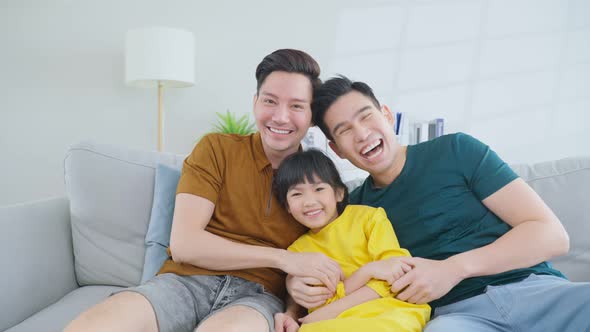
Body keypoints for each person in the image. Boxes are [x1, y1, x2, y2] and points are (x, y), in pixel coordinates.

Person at [65, 49, 344, 332]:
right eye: (270, 101)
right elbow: (186, 245)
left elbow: (324, 257)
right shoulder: (217, 148)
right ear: (255, 102)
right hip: (183, 283)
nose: (281, 117)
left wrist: (293, 308)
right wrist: (282, 258)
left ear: (311, 117)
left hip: (257, 298)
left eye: (296, 106)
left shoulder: (321, 181)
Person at [286, 75, 590, 331]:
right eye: (345, 131)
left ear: (387, 116)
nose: (362, 134)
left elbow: (551, 235)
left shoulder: (456, 150)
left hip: (537, 291)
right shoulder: (353, 211)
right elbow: (322, 269)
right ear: (336, 150)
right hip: (456, 317)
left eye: (366, 117)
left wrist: (454, 268)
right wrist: (291, 296)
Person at [272, 149, 430, 332]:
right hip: (332, 321)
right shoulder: (297, 253)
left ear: (339, 193)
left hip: (389, 311)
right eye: (297, 194)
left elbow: (396, 276)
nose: (309, 201)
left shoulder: (369, 218)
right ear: (287, 206)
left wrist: (322, 313)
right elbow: (322, 303)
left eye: (319, 189)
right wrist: (368, 272)